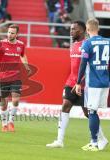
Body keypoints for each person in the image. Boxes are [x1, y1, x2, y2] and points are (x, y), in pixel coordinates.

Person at [46, 21, 108, 150]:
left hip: (84, 84)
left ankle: (101, 139)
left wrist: (80, 82)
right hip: (71, 82)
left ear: (81, 30)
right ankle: (59, 141)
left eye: (73, 29)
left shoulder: (87, 44)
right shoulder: (73, 44)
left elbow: (87, 65)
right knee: (65, 106)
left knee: (88, 112)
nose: (71, 31)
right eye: (71, 29)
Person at [0, 24, 31, 132]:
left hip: (16, 77)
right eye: (8, 32)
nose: (9, 34)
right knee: (3, 103)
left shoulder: (21, 45)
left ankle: (11, 122)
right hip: (3, 77)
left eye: (12, 33)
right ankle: (4, 123)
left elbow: (22, 55)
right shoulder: (1, 44)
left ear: (17, 34)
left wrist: (26, 66)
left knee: (16, 99)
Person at [75, 18, 109, 151]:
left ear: (87, 30)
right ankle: (98, 140)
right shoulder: (108, 42)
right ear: (98, 28)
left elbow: (83, 64)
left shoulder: (87, 43)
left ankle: (94, 142)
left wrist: (78, 82)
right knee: (94, 111)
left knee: (92, 111)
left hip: (93, 83)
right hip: (105, 82)